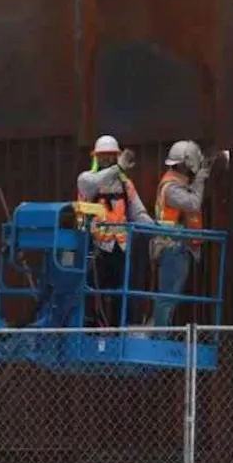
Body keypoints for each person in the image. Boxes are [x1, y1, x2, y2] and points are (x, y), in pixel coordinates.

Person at [77, 134, 155, 327]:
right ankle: (90, 331)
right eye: (103, 156)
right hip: (95, 249)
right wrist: (118, 168)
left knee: (123, 294)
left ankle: (120, 333)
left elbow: (138, 213)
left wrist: (158, 230)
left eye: (111, 156)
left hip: (120, 249)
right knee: (93, 293)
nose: (107, 160)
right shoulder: (87, 180)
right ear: (95, 157)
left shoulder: (125, 185)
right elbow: (94, 185)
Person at [149, 140, 219, 332]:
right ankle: (159, 337)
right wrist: (201, 179)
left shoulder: (177, 183)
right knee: (168, 296)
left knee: (172, 295)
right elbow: (193, 203)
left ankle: (160, 333)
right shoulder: (171, 187)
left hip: (176, 246)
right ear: (186, 163)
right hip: (171, 246)